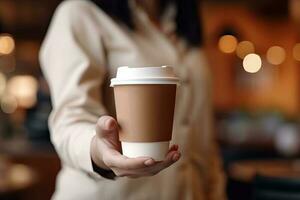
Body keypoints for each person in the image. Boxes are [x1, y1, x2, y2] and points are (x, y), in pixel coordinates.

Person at [40, 0, 226, 199]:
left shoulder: (182, 24)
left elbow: (204, 135)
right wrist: (100, 152)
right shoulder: (79, 13)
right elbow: (70, 118)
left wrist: (216, 191)